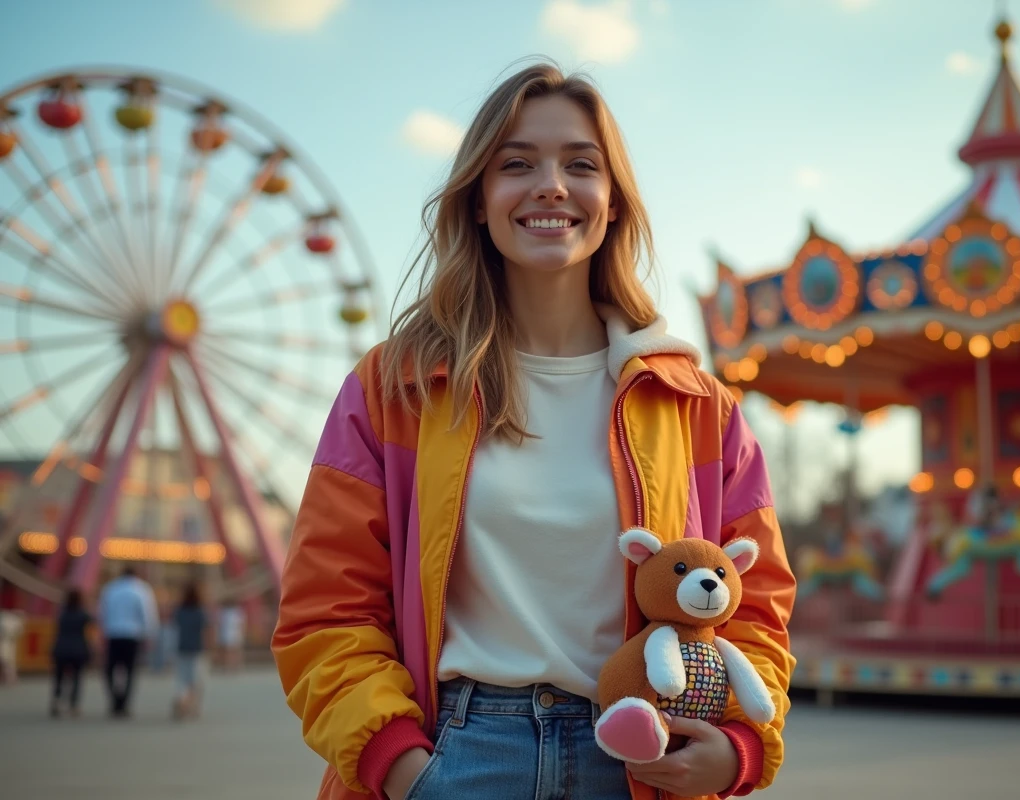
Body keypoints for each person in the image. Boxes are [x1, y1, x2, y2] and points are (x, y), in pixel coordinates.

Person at [272, 62, 796, 800]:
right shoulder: (393, 389)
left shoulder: (697, 405)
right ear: (479, 202)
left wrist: (740, 745)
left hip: (642, 760)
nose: (551, 184)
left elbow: (758, 602)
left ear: (612, 203)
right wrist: (403, 768)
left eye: (581, 165)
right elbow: (326, 608)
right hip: (455, 750)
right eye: (517, 164)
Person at [97, 566, 158, 717]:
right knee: (130, 671)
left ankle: (115, 699)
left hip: (113, 634)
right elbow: (147, 613)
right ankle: (124, 703)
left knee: (110, 670)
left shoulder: (110, 589)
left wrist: (102, 632)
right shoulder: (142, 589)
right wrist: (149, 634)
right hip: (132, 635)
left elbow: (102, 612)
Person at [50, 589, 92, 717]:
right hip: (78, 648)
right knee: (77, 678)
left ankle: (56, 701)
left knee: (59, 677)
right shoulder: (83, 614)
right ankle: (74, 705)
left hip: (61, 647)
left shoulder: (62, 614)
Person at [172, 583, 208, 719]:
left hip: (181, 648)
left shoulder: (180, 611)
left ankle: (181, 699)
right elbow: (206, 631)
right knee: (196, 680)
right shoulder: (200, 611)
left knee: (182, 679)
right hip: (196, 649)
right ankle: (189, 705)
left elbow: (174, 627)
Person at [217, 600, 245, 671]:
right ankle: (228, 665)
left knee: (234, 650)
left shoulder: (237, 612)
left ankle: (235, 665)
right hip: (228, 633)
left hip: (234, 633)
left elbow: (242, 624)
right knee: (228, 651)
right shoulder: (224, 612)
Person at [0, 606, 25, 685]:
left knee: (8, 661)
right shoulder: (6, 618)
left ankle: (10, 678)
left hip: (8, 643)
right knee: (6, 660)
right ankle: (7, 678)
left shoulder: (13, 620)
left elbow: (19, 632)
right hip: (6, 642)